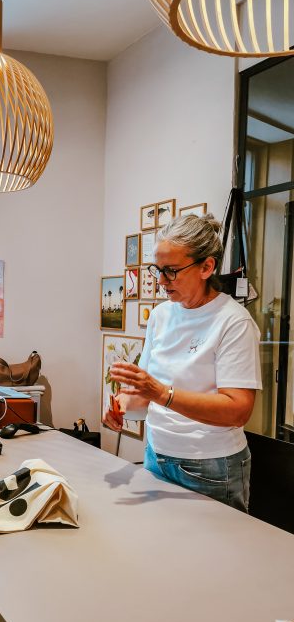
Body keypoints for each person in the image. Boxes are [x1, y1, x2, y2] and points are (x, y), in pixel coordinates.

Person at [103, 213, 261, 512]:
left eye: (171, 271)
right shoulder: (162, 315)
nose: (161, 281)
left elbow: (238, 410)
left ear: (206, 267)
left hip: (211, 466)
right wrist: (123, 405)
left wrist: (162, 393)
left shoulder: (233, 322)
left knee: (212, 555)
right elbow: (147, 395)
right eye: (157, 270)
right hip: (156, 454)